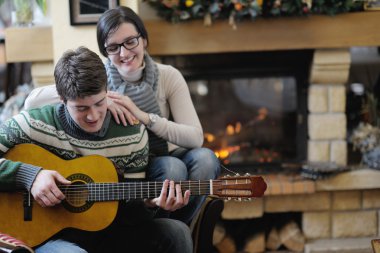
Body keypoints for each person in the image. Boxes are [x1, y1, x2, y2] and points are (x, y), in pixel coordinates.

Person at [24, 6, 220, 225]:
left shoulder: (168, 76)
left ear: (144, 40)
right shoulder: (98, 82)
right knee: (173, 169)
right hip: (135, 162)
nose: (124, 53)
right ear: (104, 51)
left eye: (130, 41)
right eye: (113, 47)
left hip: (168, 152)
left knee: (206, 158)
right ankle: (162, 229)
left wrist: (142, 116)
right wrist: (103, 97)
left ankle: (183, 227)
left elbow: (195, 138)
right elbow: (33, 100)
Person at [0, 46, 193, 253]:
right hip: (46, 237)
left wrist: (149, 204)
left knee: (176, 232)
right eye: (81, 108)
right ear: (63, 100)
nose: (93, 116)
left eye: (100, 103)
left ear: (107, 90)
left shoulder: (133, 135)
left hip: (108, 233)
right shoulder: (32, 124)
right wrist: (30, 176)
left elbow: (130, 215)